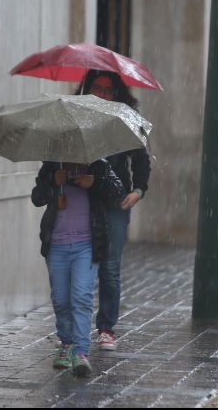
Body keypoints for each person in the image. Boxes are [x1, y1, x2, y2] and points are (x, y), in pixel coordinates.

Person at [75, 70, 151, 351]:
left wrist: (138, 190)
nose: (102, 94)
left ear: (117, 93)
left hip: (114, 201)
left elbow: (141, 160)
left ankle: (106, 327)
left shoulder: (127, 119)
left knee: (109, 266)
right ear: (87, 88)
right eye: (97, 88)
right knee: (80, 264)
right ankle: (72, 327)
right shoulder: (75, 115)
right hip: (80, 199)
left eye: (108, 90)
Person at [31, 159, 124, 376]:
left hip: (87, 245)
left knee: (81, 297)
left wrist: (95, 182)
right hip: (56, 245)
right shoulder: (52, 166)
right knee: (60, 299)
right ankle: (66, 344)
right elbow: (37, 197)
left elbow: (117, 192)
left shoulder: (99, 166)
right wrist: (53, 182)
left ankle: (81, 352)